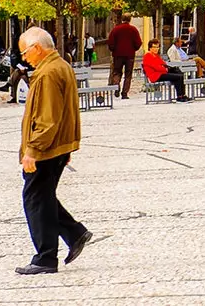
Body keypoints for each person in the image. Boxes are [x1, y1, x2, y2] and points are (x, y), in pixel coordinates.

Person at [13, 27, 92, 275]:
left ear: (37, 48)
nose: (24, 58)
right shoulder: (61, 66)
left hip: (45, 148)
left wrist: (32, 150)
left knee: (36, 199)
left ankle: (46, 257)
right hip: (57, 146)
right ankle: (75, 233)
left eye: (25, 52)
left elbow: (48, 119)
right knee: (43, 196)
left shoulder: (47, 73)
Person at [105, 14, 141, 99]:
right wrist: (133, 48)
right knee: (128, 74)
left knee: (117, 72)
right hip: (130, 55)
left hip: (117, 55)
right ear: (130, 19)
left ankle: (116, 86)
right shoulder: (133, 29)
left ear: (122, 19)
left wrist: (114, 49)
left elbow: (110, 42)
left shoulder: (116, 29)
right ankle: (124, 93)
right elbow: (138, 42)